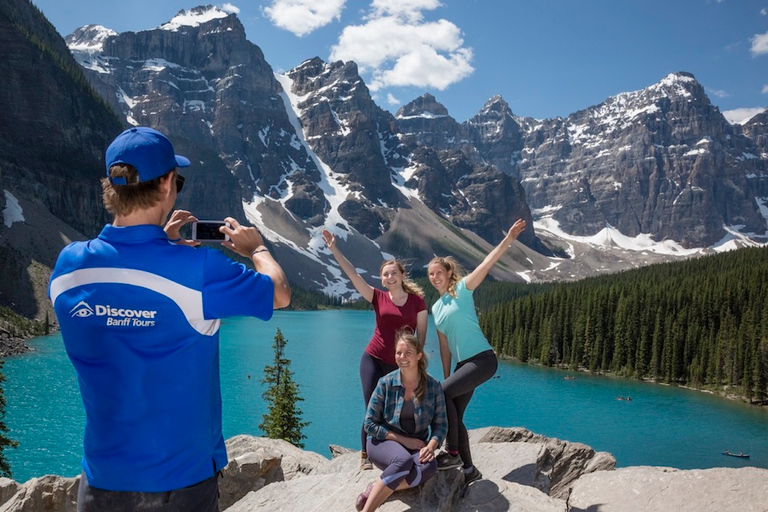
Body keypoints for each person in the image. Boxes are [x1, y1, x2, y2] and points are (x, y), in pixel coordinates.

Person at [48, 126, 290, 512]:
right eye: (177, 179)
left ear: (113, 187)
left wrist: (162, 243)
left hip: (100, 484)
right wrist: (256, 247)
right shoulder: (199, 271)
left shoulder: (68, 267)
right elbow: (279, 293)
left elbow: (126, 277)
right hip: (181, 485)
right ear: (164, 187)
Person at [427, 219, 526, 485]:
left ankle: (452, 452)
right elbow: (445, 347)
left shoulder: (462, 289)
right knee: (454, 412)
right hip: (463, 367)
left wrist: (508, 239)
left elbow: (486, 263)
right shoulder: (436, 309)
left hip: (483, 360)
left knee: (444, 395)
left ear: (448, 273)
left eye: (438, 272)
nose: (434, 277)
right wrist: (447, 377)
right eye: (430, 274)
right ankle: (470, 470)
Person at [322, 229, 428, 469]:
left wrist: (417, 361)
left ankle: (396, 450)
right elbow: (352, 274)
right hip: (372, 358)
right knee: (372, 408)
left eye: (393, 273)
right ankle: (365, 456)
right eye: (385, 274)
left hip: (399, 364)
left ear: (402, 275)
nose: (390, 277)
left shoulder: (417, 301)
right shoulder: (377, 297)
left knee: (399, 410)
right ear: (382, 279)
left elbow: (420, 334)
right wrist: (335, 249)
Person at [356, 332, 447, 511]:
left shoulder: (433, 387)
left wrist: (432, 446)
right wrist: (404, 440)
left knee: (429, 467)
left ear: (419, 355)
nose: (402, 358)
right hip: (381, 442)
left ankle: (376, 487)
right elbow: (369, 424)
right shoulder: (385, 383)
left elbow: (440, 424)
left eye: (408, 353)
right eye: (398, 353)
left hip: (415, 447)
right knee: (403, 461)